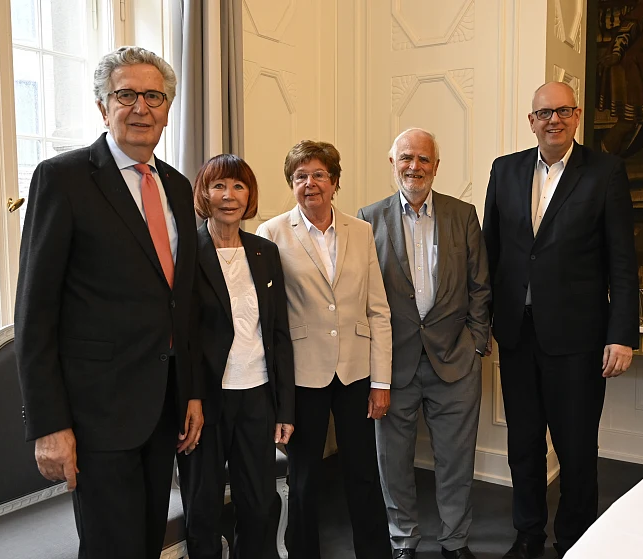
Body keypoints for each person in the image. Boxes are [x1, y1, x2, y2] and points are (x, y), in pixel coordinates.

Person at [15, 46, 203, 559]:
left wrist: (189, 393)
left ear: (167, 108)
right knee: (109, 547)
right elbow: (35, 314)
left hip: (162, 408)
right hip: (96, 415)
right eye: (126, 95)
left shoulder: (179, 187)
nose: (141, 107)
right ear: (103, 106)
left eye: (154, 96)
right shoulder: (63, 179)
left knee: (144, 542)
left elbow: (177, 302)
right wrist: (50, 425)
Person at [483, 82, 639, 559]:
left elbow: (623, 261)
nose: (554, 120)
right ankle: (528, 535)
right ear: (531, 121)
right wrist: (482, 324)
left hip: (579, 339)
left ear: (576, 117)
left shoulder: (605, 172)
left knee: (575, 451)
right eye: (544, 112)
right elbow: (491, 253)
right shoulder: (504, 170)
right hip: (516, 334)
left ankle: (575, 540)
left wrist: (621, 335)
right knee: (523, 445)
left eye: (563, 111)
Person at [358, 128, 491, 559]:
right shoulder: (367, 219)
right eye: (405, 158)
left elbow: (480, 287)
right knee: (393, 462)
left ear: (436, 166)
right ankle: (403, 539)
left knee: (456, 460)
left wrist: (475, 344)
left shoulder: (462, 215)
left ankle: (455, 541)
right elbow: (361, 293)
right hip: (392, 366)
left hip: (454, 360)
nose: (414, 167)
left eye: (423, 159)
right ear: (392, 162)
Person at [256, 140, 392, 559]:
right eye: (300, 177)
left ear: (334, 182)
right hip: (302, 374)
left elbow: (378, 309)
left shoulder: (361, 230)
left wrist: (381, 380)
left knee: (363, 474)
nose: (309, 184)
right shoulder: (271, 233)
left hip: (355, 371)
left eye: (318, 175)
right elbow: (270, 318)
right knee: (304, 479)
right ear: (291, 184)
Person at [178, 154, 295, 559]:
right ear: (204, 194)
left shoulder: (265, 251)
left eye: (239, 186)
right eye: (219, 186)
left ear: (250, 196)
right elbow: (183, 336)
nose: (229, 196)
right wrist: (190, 397)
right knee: (204, 507)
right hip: (206, 401)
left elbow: (278, 333)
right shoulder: (186, 251)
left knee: (260, 504)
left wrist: (285, 409)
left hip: (257, 394)